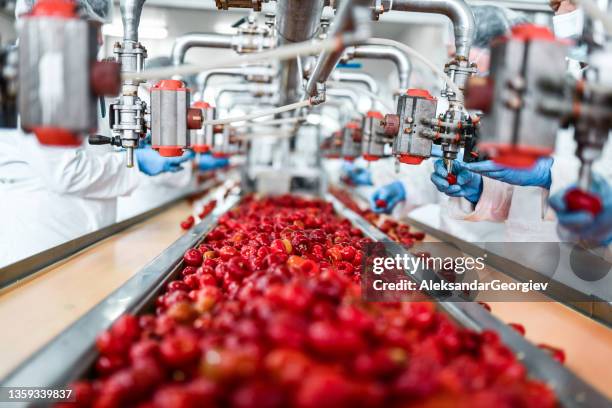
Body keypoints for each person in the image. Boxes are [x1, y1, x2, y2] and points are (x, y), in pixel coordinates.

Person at [0, 0, 193, 267]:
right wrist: (136, 164)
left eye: (100, 29)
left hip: (86, 234)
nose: (100, 39)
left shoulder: (73, 73)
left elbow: (98, 146)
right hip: (41, 239)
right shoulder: (38, 72)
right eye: (90, 28)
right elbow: (66, 173)